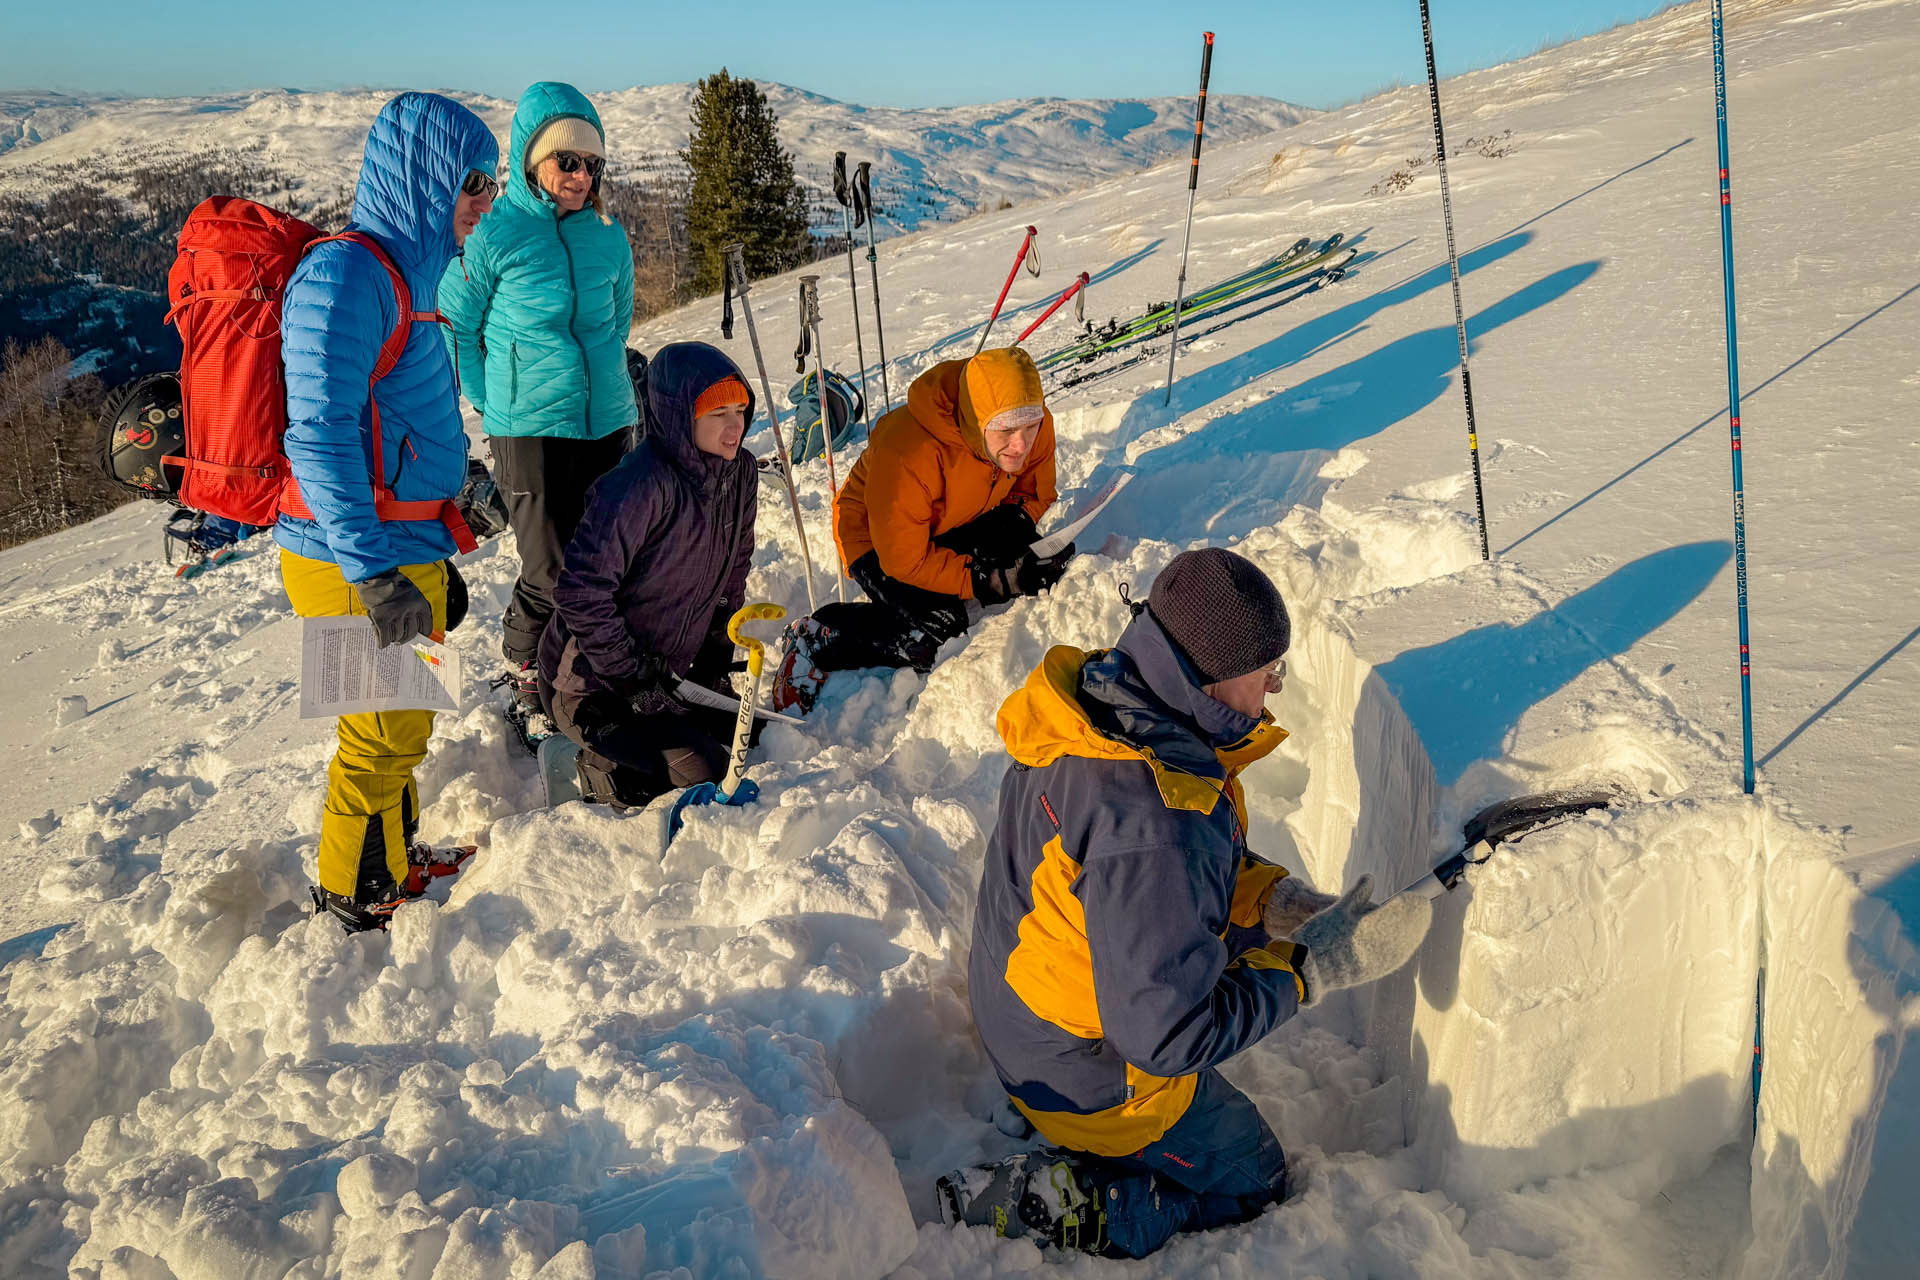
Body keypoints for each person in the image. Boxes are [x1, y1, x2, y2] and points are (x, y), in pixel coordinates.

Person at [949, 548, 1434, 1258]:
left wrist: (1280, 904)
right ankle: (1065, 1197)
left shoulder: (1104, 712)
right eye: (1265, 672)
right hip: (1084, 1075)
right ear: (1209, 675)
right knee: (1253, 1180)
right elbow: (1167, 1040)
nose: (1273, 689)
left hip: (1021, 1016)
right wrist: (1310, 971)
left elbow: (1165, 889)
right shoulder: (1157, 818)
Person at [276, 91, 500, 932]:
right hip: (349, 555)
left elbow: (401, 413)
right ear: (427, 174)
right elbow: (320, 436)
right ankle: (353, 893)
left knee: (404, 721)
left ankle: (397, 861)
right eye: (473, 180)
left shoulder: (410, 273)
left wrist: (444, 522)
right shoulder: (347, 275)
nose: (484, 199)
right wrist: (373, 573)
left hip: (402, 541)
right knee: (377, 736)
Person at [439, 82, 638, 745]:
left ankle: (589, 660)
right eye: (567, 162)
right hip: (529, 427)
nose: (581, 177)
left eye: (591, 164)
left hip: (608, 420)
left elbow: (617, 321)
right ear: (532, 162)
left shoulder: (608, 238)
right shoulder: (497, 235)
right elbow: (455, 323)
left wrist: (610, 383)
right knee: (550, 566)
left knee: (607, 553)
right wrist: (492, 399)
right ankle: (525, 663)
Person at [772, 346, 1072, 713]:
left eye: (1031, 425)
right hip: (877, 538)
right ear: (975, 421)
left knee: (1023, 562)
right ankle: (819, 636)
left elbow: (1034, 492)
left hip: (956, 519)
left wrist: (1020, 534)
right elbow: (904, 559)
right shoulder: (909, 451)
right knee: (931, 632)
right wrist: (988, 580)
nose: (1022, 443)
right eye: (1006, 430)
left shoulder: (1031, 423)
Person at [538, 341, 758, 808]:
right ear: (681, 415)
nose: (735, 426)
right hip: (591, 684)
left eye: (740, 409)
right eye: (718, 413)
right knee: (704, 775)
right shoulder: (637, 487)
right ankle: (596, 768)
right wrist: (632, 677)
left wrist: (718, 642)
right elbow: (580, 593)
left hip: (669, 675)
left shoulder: (739, 473)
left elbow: (734, 563)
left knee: (749, 742)